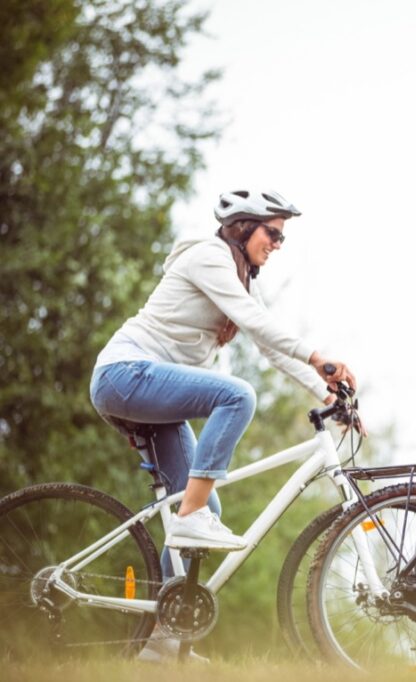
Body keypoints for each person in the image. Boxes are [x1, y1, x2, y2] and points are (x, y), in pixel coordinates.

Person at [89, 188, 356, 660]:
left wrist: (328, 394)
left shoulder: (240, 278)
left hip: (152, 397)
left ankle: (163, 644)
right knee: (236, 395)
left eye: (281, 239)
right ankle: (188, 518)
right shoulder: (209, 256)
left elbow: (270, 347)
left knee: (205, 499)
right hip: (124, 374)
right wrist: (318, 356)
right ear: (242, 227)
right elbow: (255, 323)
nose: (276, 244)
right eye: (272, 234)